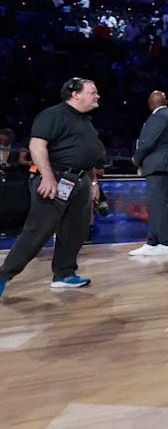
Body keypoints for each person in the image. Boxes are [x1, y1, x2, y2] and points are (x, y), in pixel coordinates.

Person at [0, 78, 104, 297]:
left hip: (81, 180)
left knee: (75, 230)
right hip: (56, 177)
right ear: (75, 94)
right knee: (39, 230)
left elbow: (88, 153)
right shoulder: (53, 114)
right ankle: (3, 276)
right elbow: (36, 145)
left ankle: (64, 274)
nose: (97, 96)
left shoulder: (85, 120)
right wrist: (47, 177)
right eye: (92, 92)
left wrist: (94, 183)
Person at [129, 91, 168, 256]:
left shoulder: (158, 116)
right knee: (157, 205)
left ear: (150, 103)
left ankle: (167, 242)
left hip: (159, 165)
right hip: (164, 165)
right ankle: (153, 242)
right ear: (166, 101)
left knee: (158, 205)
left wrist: (137, 158)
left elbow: (147, 141)